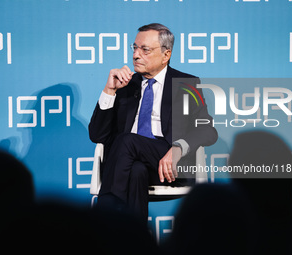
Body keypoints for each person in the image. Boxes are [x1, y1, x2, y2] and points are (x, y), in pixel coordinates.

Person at [88, 23, 217, 221]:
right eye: (135, 48)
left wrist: (178, 148)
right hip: (127, 165)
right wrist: (109, 90)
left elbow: (208, 130)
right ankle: (135, 241)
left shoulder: (186, 84)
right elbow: (97, 135)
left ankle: (104, 219)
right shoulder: (124, 84)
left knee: (126, 141)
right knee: (135, 170)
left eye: (145, 49)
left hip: (168, 162)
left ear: (166, 55)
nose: (136, 55)